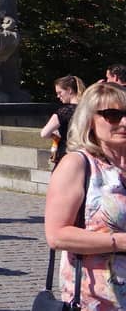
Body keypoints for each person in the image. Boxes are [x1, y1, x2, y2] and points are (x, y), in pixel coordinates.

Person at [44, 82, 126, 309]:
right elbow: (57, 235)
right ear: (90, 119)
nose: (124, 122)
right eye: (112, 115)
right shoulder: (78, 165)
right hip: (98, 299)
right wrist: (120, 242)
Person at [40, 75, 85, 166]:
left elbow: (44, 133)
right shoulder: (86, 109)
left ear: (69, 90)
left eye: (60, 92)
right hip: (84, 155)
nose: (58, 96)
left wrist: (55, 136)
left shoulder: (64, 111)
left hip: (66, 154)